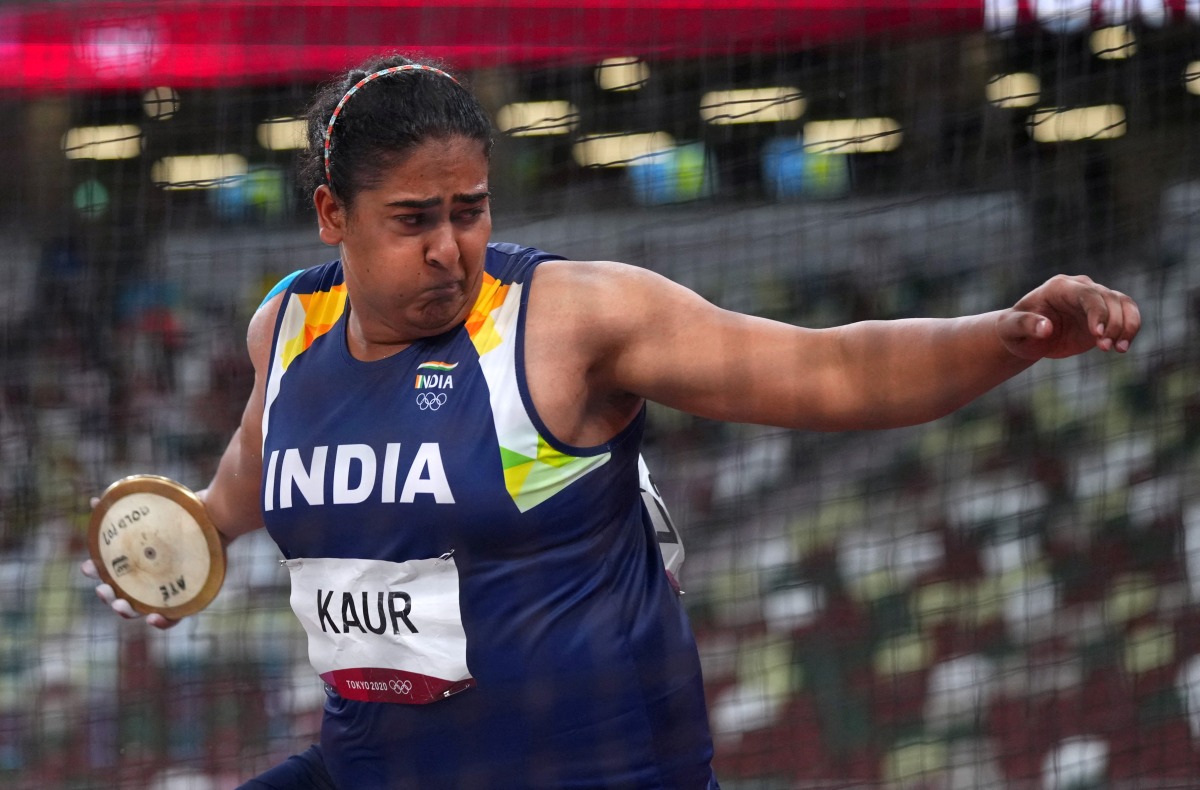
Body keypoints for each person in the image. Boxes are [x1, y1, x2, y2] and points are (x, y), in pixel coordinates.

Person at [82, 53, 1141, 789]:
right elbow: (242, 488)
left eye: (472, 209)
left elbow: (829, 374)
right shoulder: (286, 328)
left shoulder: (569, 318)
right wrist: (177, 552)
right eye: (414, 220)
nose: (451, 246)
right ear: (332, 215)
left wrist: (1006, 335)